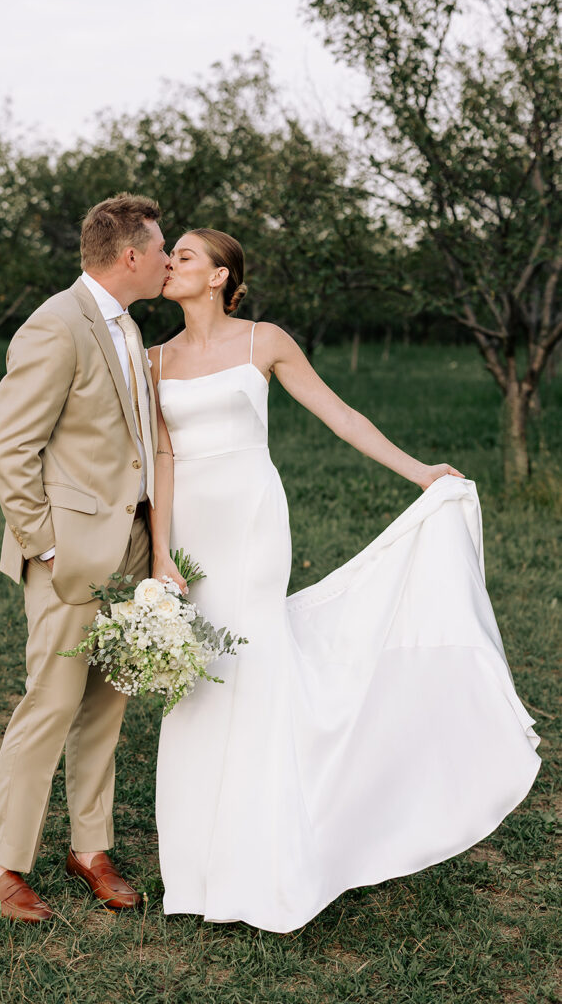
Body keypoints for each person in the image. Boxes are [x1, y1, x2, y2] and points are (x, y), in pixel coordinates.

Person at [148, 228, 541, 934]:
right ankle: (196, 868)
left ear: (217, 276)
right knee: (196, 676)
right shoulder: (154, 359)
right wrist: (159, 551)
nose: (168, 263)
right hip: (190, 531)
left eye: (182, 255)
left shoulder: (264, 341)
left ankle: (264, 862)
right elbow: (161, 459)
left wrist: (418, 471)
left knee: (255, 664)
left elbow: (339, 415)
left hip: (251, 520)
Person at [0, 193, 170, 922]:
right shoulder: (56, 324)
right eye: (160, 249)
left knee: (104, 710)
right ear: (130, 256)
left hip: (129, 553)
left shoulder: (127, 326)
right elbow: (9, 447)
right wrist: (46, 546)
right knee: (49, 706)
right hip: (66, 557)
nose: (166, 259)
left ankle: (90, 848)